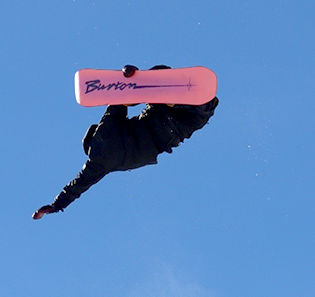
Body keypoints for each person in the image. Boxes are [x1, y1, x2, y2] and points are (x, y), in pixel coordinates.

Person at [32, 66, 218, 218]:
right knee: (160, 75)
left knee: (206, 108)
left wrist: (56, 206)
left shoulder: (97, 165)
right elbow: (119, 97)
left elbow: (77, 186)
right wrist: (129, 75)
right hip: (158, 119)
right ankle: (168, 98)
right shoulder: (104, 132)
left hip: (172, 132)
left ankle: (175, 100)